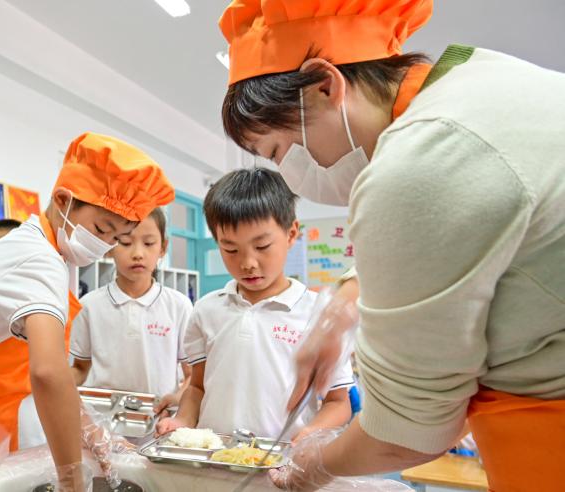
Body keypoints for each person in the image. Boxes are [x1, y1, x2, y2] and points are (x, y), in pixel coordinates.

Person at [218, 1, 565, 489]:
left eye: (279, 152)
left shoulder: (420, 163)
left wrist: (312, 464)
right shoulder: (479, 83)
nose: (290, 175)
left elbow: (406, 432)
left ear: (325, 85)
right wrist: (343, 304)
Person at [0, 133, 174, 488]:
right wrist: (71, 475)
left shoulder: (48, 250)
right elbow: (48, 373)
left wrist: (93, 432)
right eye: (102, 229)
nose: (105, 245)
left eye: (115, 238)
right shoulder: (38, 259)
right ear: (63, 200)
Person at [156, 168, 352, 441]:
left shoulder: (317, 313)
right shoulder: (206, 310)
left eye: (262, 246)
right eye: (231, 249)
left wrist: (310, 433)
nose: (247, 262)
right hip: (214, 458)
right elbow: (197, 387)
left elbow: (338, 402)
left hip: (283, 461)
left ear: (292, 233)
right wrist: (182, 421)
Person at [69, 207, 192, 413]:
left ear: (163, 247)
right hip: (101, 424)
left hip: (157, 423)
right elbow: (80, 369)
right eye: (125, 243)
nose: (137, 254)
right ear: (110, 246)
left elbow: (191, 374)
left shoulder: (178, 306)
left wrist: (178, 397)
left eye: (149, 243)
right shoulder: (89, 305)